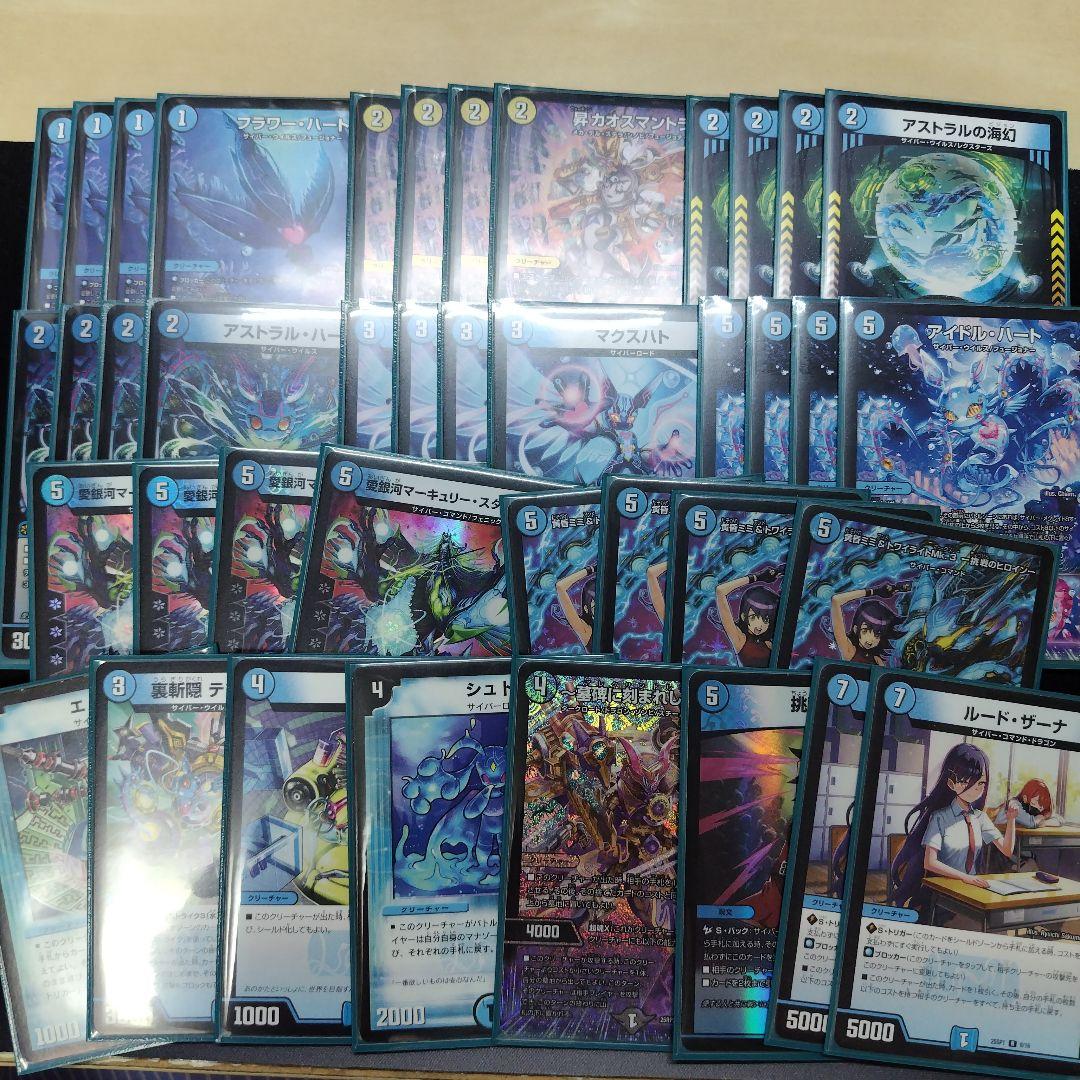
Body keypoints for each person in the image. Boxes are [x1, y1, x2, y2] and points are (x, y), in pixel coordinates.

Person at [891, 743, 1017, 919]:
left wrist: (1011, 820)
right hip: (941, 894)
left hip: (970, 892)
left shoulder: (980, 818)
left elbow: (1007, 850)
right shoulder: (940, 817)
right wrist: (965, 878)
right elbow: (930, 863)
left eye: (981, 783)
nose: (976, 789)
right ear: (951, 782)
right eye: (967, 781)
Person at [714, 566, 782, 667]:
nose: (760, 625)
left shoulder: (769, 643)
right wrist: (756, 577)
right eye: (753, 617)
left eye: (765, 620)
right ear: (743, 616)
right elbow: (720, 591)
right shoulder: (740, 639)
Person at [830, 583, 907, 665]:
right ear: (856, 629)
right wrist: (874, 591)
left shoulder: (877, 660)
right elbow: (836, 600)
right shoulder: (849, 650)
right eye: (865, 630)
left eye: (877, 635)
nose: (870, 639)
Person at [993, 778, 1060, 829]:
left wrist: (1044, 822)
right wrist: (1041, 819)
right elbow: (1031, 823)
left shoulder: (1031, 809)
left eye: (1043, 804)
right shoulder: (1014, 804)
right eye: (1037, 801)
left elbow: (1059, 820)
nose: (1040, 807)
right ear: (1025, 797)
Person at [555, 565, 595, 647]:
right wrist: (591, 569)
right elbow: (560, 586)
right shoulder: (586, 630)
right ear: (586, 608)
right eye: (594, 607)